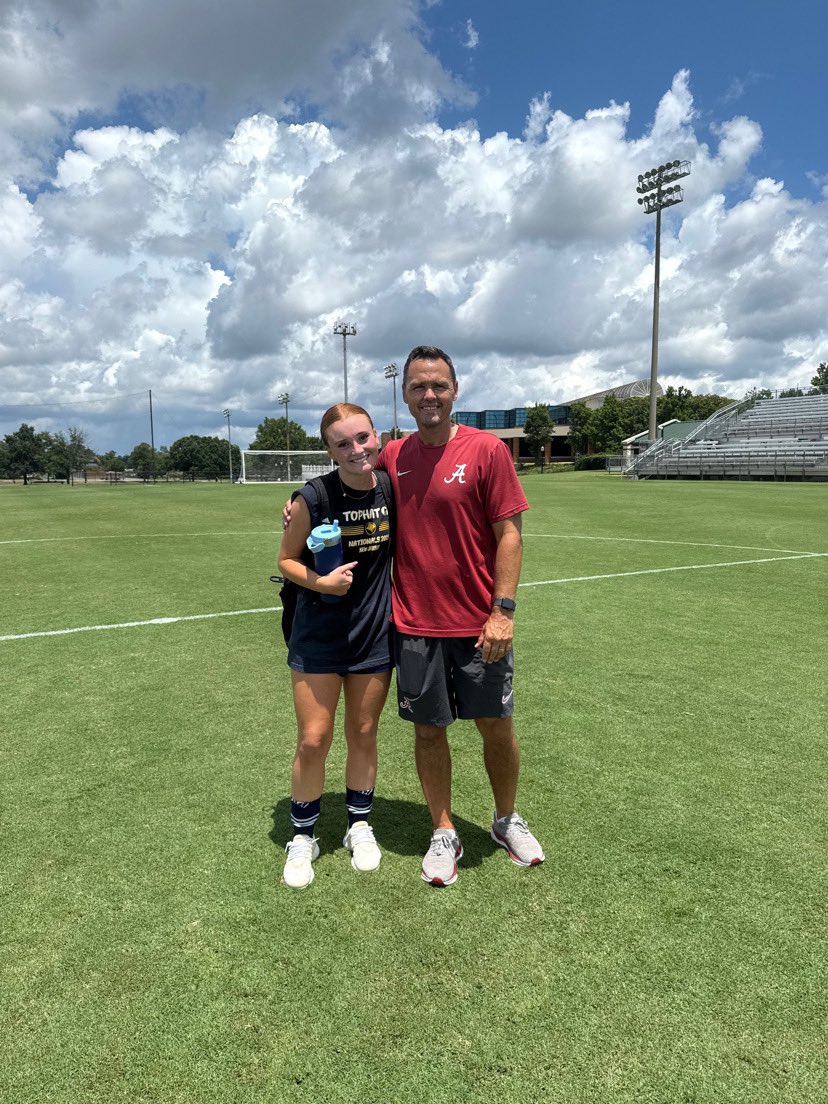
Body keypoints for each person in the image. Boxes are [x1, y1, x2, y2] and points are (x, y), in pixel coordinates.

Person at [375, 345, 544, 887]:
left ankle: (504, 819)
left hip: (480, 626)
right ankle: (443, 830)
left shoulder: (488, 449)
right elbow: (348, 491)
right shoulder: (392, 455)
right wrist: (296, 503)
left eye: (439, 386)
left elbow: (509, 535)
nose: (429, 395)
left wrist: (503, 610)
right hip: (416, 625)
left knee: (496, 726)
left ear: (455, 390)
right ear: (404, 393)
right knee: (429, 732)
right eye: (419, 386)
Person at [277, 403, 393, 889]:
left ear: (377, 437)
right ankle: (303, 835)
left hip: (373, 632)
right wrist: (321, 584)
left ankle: (358, 824)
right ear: (328, 450)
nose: (355, 449)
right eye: (342, 443)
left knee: (363, 732)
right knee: (314, 738)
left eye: (362, 438)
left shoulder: (392, 487)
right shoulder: (312, 497)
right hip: (319, 635)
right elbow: (286, 560)